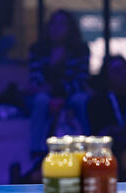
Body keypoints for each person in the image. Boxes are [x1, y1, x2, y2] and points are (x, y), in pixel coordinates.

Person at [29, 10, 90, 155]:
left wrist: (60, 96)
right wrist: (53, 64)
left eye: (62, 24)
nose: (57, 28)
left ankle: (89, 145)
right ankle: (36, 150)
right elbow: (36, 80)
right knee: (40, 100)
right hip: (47, 95)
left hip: (70, 94)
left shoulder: (80, 50)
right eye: (54, 23)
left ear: (70, 28)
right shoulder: (38, 49)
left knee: (81, 100)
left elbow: (80, 81)